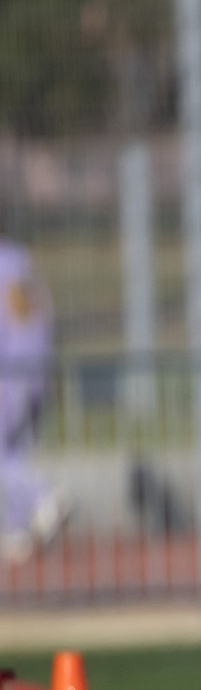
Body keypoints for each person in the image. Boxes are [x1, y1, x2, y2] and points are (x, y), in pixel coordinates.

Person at [0, 235, 66, 565]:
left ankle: (43, 498)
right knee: (16, 449)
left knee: (4, 453)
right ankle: (17, 529)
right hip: (35, 370)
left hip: (8, 372)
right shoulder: (18, 258)